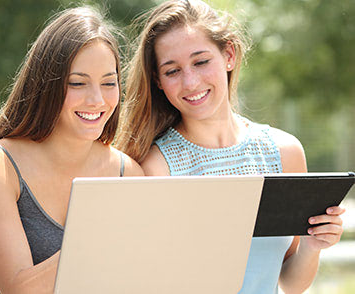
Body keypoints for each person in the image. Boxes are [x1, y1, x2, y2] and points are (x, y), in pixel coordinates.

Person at [115, 0, 344, 293]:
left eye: (201, 61)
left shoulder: (285, 153)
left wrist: (313, 246)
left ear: (229, 55)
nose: (191, 81)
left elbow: (289, 282)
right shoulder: (155, 169)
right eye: (172, 71)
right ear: (158, 81)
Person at [0, 6, 144, 294]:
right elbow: (21, 289)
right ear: (46, 84)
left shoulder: (129, 174)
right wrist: (103, 233)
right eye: (77, 83)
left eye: (109, 83)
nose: (97, 100)